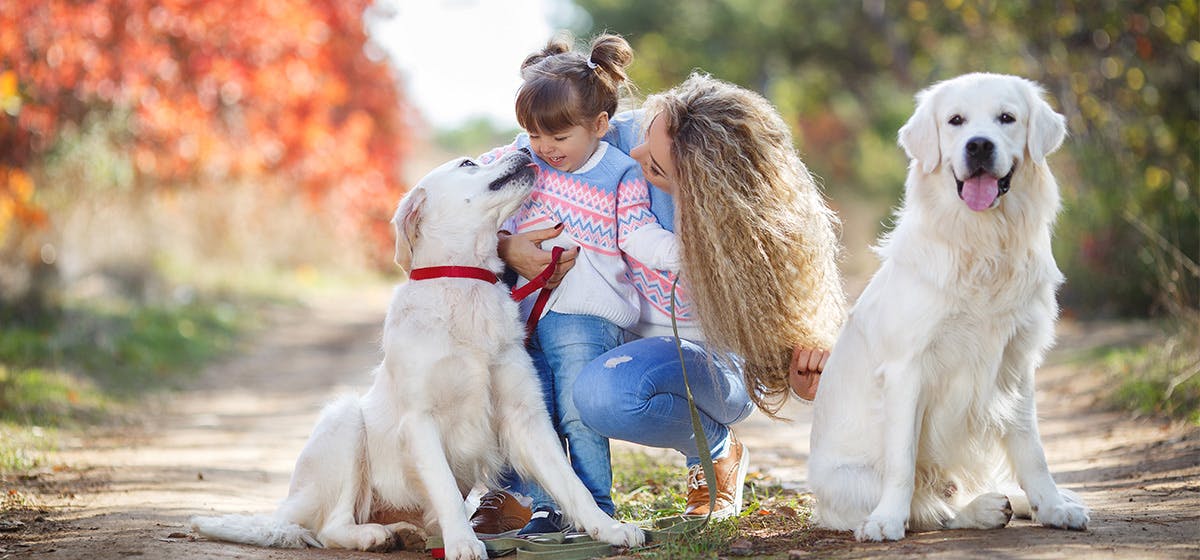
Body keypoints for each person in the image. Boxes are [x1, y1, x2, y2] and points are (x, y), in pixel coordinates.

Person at [493, 73, 846, 523]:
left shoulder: (756, 236)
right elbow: (530, 142)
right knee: (514, 357)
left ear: (704, 186)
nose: (634, 155)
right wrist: (507, 248)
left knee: (601, 395)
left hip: (707, 368)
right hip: (611, 331)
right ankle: (521, 490)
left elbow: (795, 348)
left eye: (655, 165)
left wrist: (804, 374)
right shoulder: (621, 132)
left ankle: (714, 448)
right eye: (642, 140)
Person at [474, 33, 679, 536]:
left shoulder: (620, 173)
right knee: (530, 409)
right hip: (523, 313)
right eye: (535, 135)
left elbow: (637, 233)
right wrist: (502, 238)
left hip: (586, 312)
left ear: (599, 125)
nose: (545, 148)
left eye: (559, 138)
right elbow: (470, 190)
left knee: (576, 409)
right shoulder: (524, 159)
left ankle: (596, 505)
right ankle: (543, 503)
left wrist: (686, 257)